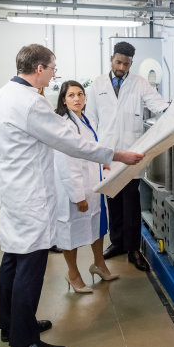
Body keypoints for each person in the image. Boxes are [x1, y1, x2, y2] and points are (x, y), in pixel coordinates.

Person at [0, 44, 143, 347]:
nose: (54, 74)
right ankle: (24, 344)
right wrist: (117, 155)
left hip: (13, 194)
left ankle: (12, 325)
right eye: (52, 68)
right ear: (39, 68)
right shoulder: (31, 103)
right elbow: (69, 141)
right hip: (31, 196)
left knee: (12, 261)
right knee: (30, 268)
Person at [86, 41, 168, 271]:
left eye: (127, 63)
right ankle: (118, 243)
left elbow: (158, 105)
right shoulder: (98, 84)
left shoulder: (139, 83)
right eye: (119, 62)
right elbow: (91, 119)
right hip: (108, 154)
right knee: (112, 201)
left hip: (131, 154)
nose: (122, 67)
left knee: (131, 204)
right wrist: (95, 151)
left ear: (132, 63)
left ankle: (133, 249)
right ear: (111, 59)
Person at [54, 80, 119, 294]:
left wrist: (103, 161)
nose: (77, 98)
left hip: (93, 185)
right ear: (63, 99)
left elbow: (91, 148)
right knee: (70, 231)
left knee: (98, 226)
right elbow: (66, 163)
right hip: (75, 188)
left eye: (80, 94)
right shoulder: (64, 124)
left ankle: (99, 264)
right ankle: (72, 273)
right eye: (71, 95)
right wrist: (77, 195)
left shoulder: (86, 119)